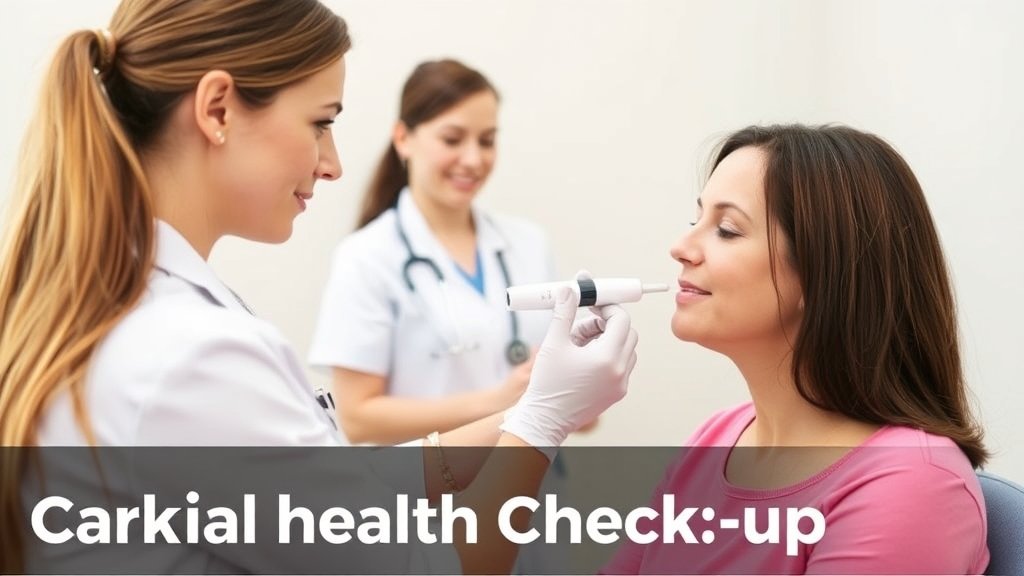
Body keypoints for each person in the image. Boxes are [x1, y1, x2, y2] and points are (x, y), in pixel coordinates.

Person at [0, 1, 637, 574]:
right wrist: (544, 420)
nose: (331, 163)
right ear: (217, 108)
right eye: (320, 122)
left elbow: (320, 477)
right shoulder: (187, 355)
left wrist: (536, 405)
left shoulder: (154, 312)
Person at [601, 124, 989, 574]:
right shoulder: (716, 438)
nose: (681, 247)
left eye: (726, 230)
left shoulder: (910, 484)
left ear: (821, 272)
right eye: (696, 220)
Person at [308, 58, 560, 446]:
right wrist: (499, 401)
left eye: (487, 140)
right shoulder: (367, 257)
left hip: (532, 484)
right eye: (452, 139)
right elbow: (358, 418)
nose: (474, 159)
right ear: (403, 138)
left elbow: (564, 394)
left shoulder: (528, 243)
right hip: (428, 493)